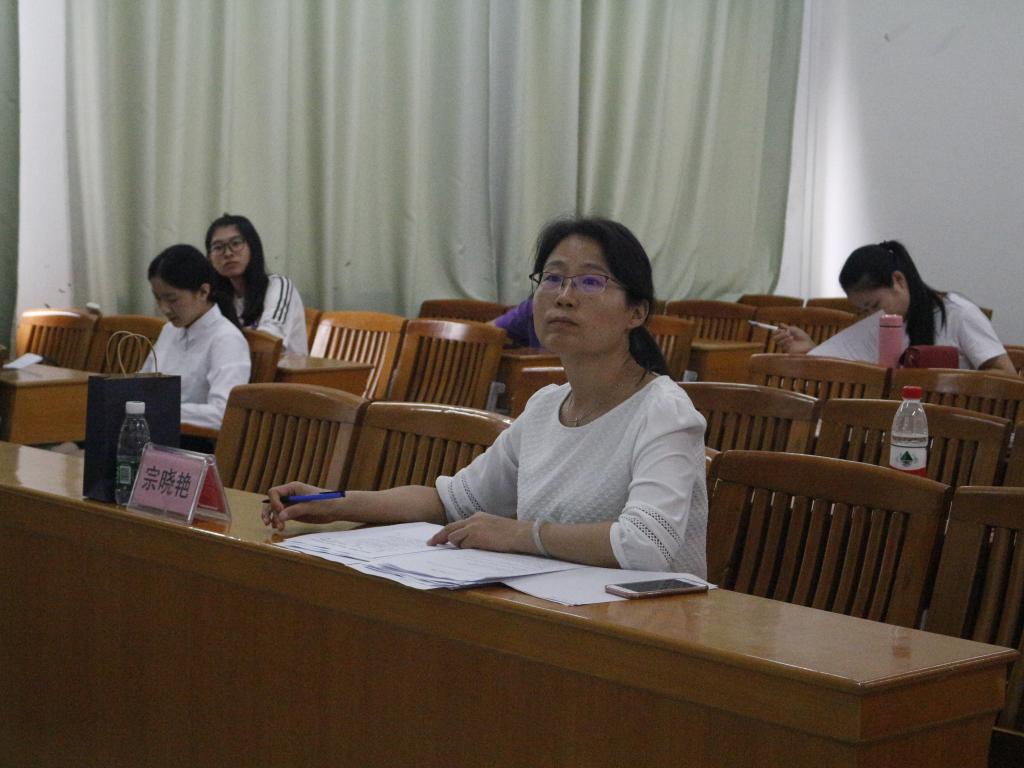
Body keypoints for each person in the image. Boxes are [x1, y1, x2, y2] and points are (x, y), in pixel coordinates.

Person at [263, 216, 708, 576]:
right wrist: (335, 503)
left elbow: (647, 544)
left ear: (636, 312)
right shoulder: (545, 407)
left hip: (650, 629)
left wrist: (519, 534)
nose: (564, 296)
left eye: (590, 282)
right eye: (552, 278)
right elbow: (450, 502)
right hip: (554, 615)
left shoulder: (663, 411)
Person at [774, 240, 1014, 373]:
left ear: (898, 281)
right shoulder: (879, 325)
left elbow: (1006, 375)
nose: (872, 315)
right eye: (863, 310)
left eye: (874, 305)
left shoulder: (958, 314)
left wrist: (952, 384)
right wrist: (812, 351)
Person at [141, 245, 251, 438]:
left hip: (192, 442)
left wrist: (158, 409)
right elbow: (143, 383)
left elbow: (223, 413)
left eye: (172, 299)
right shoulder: (169, 330)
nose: (164, 309)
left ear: (203, 292)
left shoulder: (226, 339)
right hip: (156, 431)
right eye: (158, 299)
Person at [205, 213, 309, 355]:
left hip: (282, 369)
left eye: (236, 244)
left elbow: (268, 343)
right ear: (209, 258)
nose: (228, 253)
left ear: (253, 247)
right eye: (218, 247)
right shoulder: (215, 296)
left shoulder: (278, 286)